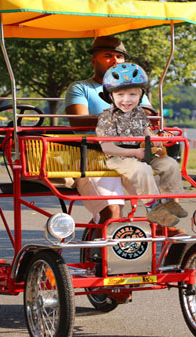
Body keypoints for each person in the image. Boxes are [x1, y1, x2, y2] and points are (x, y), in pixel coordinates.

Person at [64, 36, 155, 225]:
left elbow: (150, 116)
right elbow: (79, 122)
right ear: (93, 60)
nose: (115, 61)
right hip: (92, 160)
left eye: (119, 57)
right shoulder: (81, 88)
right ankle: (97, 252)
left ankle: (175, 244)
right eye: (108, 56)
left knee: (163, 205)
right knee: (112, 213)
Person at [95, 63, 187, 227]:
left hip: (139, 154)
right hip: (117, 157)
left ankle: (170, 201)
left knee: (170, 164)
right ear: (110, 97)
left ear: (140, 96)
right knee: (142, 170)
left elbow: (147, 135)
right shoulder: (106, 118)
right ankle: (153, 208)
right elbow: (107, 147)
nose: (126, 100)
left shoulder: (139, 115)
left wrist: (157, 140)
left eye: (132, 95)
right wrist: (136, 152)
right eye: (120, 94)